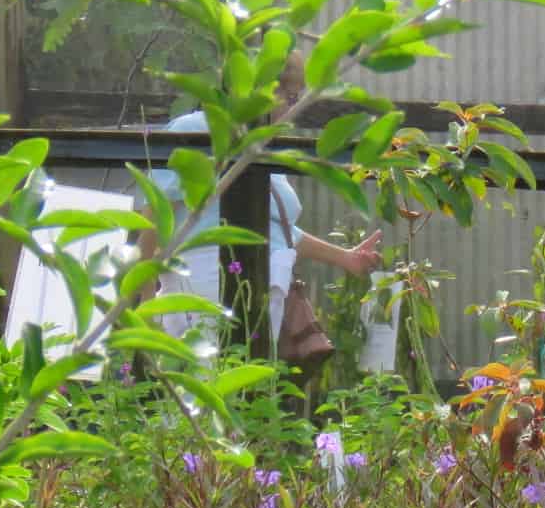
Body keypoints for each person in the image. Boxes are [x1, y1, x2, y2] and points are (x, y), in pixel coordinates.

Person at [145, 53, 381, 342]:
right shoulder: (197, 130)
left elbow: (279, 231)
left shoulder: (261, 150)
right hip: (203, 281)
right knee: (206, 379)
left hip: (263, 287)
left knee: (248, 382)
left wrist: (345, 258)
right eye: (292, 98)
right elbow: (154, 217)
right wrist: (145, 301)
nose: (291, 111)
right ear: (265, 89)